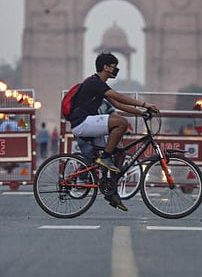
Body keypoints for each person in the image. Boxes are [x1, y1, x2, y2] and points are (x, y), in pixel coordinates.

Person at [68, 52, 159, 211]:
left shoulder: (100, 85)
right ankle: (106, 157)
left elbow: (118, 105)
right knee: (121, 123)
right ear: (105, 67)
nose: (116, 69)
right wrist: (145, 104)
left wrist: (142, 113)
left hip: (87, 123)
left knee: (120, 153)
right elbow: (119, 97)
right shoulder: (94, 82)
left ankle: (111, 190)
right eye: (114, 67)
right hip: (82, 123)